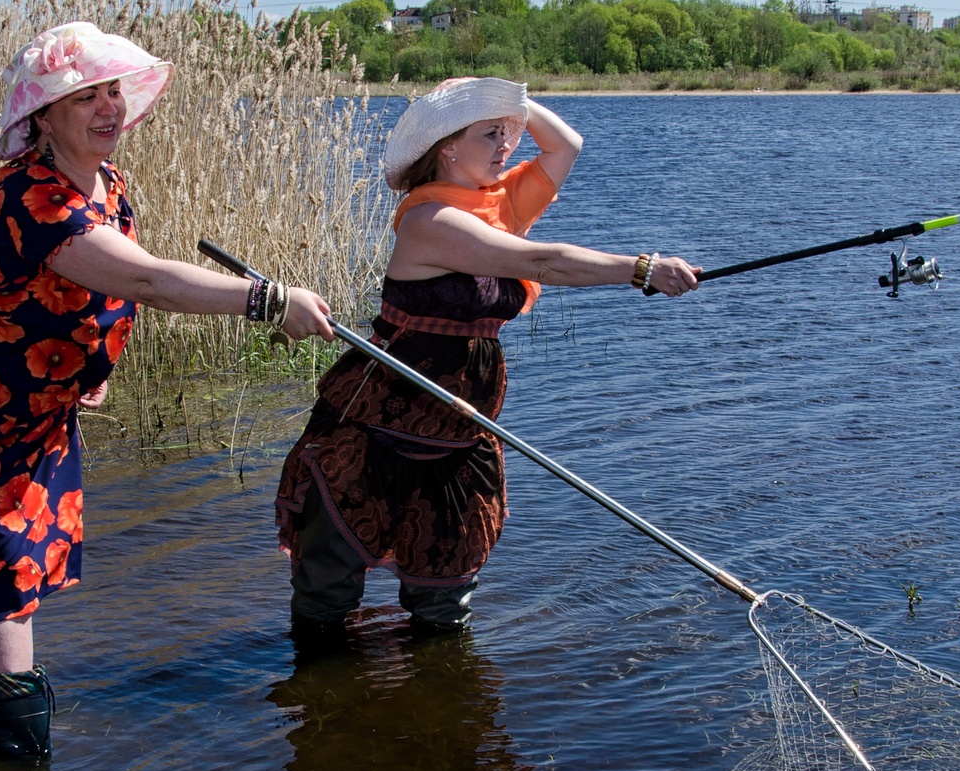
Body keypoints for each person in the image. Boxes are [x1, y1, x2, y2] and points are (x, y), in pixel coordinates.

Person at [0, 21, 331, 763]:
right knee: (2, 575)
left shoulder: (108, 186)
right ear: (42, 118)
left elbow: (105, 294)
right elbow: (147, 278)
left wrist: (93, 369)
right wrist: (268, 299)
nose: (108, 107)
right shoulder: (30, 196)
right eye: (84, 96)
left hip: (29, 409)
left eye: (113, 91)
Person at [274, 77, 699, 632]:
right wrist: (641, 269)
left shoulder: (497, 205)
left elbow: (565, 145)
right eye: (489, 133)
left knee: (445, 596)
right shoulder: (430, 219)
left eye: (509, 134)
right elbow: (546, 262)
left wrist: (503, 101)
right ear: (447, 145)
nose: (507, 144)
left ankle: (441, 697)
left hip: (458, 426)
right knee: (328, 591)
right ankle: (318, 693)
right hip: (379, 421)